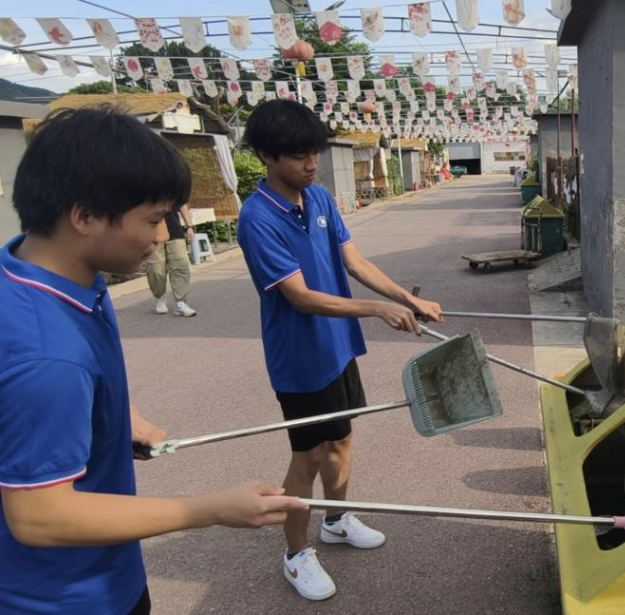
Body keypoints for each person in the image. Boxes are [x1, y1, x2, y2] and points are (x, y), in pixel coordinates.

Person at [0, 107, 306, 615]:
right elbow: (39, 516)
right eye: (152, 219)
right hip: (69, 598)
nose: (163, 235)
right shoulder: (49, 356)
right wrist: (209, 509)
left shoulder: (48, 275)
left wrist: (116, 416)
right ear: (84, 217)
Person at [237, 100, 443, 602]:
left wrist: (407, 298)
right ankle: (295, 554)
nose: (311, 164)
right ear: (266, 156)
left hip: (338, 347)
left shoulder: (320, 198)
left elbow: (355, 262)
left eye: (315, 152)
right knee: (307, 456)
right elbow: (300, 297)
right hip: (300, 359)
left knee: (343, 440)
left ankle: (336, 520)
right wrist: (375, 310)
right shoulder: (257, 218)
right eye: (298, 156)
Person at [147, 203, 197, 317]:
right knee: (156, 269)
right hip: (152, 232)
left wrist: (189, 226)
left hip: (174, 229)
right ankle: (160, 297)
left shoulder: (175, 190)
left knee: (180, 266)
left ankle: (181, 302)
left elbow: (182, 204)